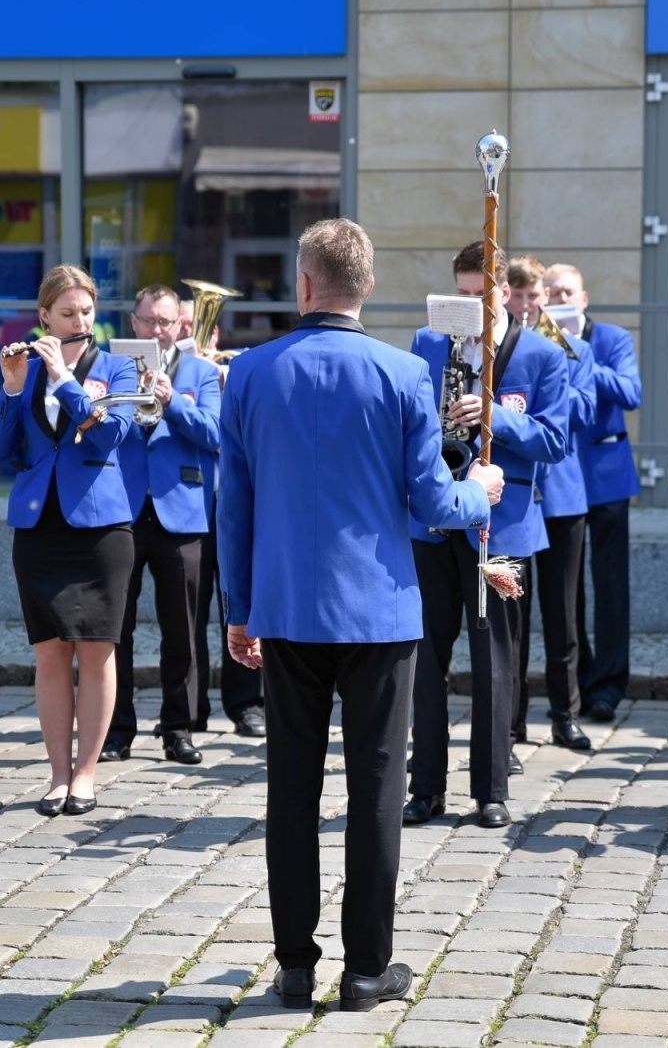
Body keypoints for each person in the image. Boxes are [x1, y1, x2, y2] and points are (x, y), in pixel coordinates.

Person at [218, 218, 501, 1013]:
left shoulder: (250, 373)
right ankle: (369, 969)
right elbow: (429, 501)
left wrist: (240, 608)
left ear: (303, 284)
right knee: (377, 791)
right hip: (378, 609)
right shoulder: (403, 373)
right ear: (367, 287)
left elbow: (231, 505)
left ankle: (295, 964)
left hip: (286, 607)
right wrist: (480, 491)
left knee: (290, 790)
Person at [405, 242, 569, 830]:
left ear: (503, 292)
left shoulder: (543, 356)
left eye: (481, 296)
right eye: (462, 295)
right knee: (425, 658)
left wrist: (499, 416)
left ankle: (490, 789)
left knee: (495, 659)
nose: (471, 307)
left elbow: (555, 441)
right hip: (433, 518)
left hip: (502, 527)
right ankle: (424, 787)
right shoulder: (429, 344)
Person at [0, 264, 138, 817]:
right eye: (67, 312)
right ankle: (56, 774)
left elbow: (112, 431)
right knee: (49, 654)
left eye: (87, 312)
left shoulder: (117, 367)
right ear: (44, 316)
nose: (79, 321)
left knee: (96, 653)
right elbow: (1, 450)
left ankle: (87, 774)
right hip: (38, 527)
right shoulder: (24, 367)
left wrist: (65, 382)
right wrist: (10, 388)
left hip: (99, 529)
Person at [106, 285, 222, 764]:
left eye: (166, 321)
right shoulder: (109, 368)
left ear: (180, 325)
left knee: (184, 629)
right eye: (149, 320)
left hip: (181, 510)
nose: (157, 329)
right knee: (116, 630)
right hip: (124, 510)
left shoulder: (202, 373)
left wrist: (173, 401)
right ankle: (116, 729)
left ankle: (179, 728)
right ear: (133, 323)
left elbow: (216, 434)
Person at [545, 264, 642, 725]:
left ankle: (609, 685)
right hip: (562, 480)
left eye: (567, 292)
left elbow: (631, 392)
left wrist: (578, 356)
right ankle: (577, 683)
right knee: (566, 591)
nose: (560, 298)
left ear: (583, 299)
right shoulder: (536, 340)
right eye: (552, 292)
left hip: (605, 478)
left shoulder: (612, 338)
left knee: (609, 585)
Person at [506, 256, 596, 753]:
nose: (525, 305)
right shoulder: (499, 351)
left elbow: (583, 410)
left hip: (560, 496)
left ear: (544, 299)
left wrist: (553, 366)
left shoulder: (573, 349)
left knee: (563, 614)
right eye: (516, 296)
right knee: (511, 616)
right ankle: (511, 722)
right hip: (516, 499)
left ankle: (566, 715)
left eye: (532, 297)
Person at [178, 299, 265, 736]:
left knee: (240, 600)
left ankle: (247, 702)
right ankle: (190, 709)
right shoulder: (171, 374)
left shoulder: (237, 370)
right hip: (187, 505)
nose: (189, 335)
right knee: (190, 613)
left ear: (213, 336)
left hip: (231, 502)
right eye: (181, 324)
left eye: (197, 326)